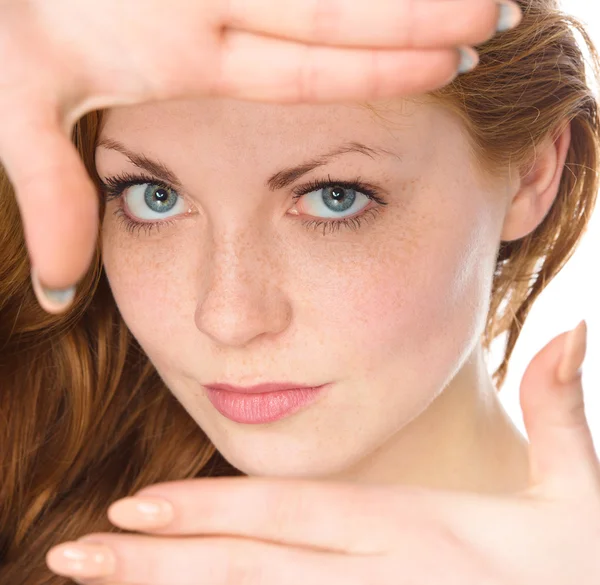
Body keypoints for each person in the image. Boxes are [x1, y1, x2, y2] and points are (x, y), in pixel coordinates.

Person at [0, 0, 599, 584]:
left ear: (530, 175)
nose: (228, 318)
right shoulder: (33, 499)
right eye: (154, 196)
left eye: (333, 196)